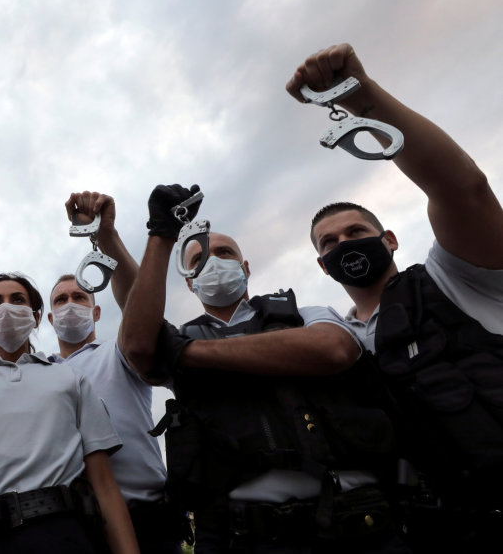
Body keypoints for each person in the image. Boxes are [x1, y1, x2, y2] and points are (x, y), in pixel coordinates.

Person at [293, 43, 503, 551]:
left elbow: (464, 189)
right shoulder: (331, 345)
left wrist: (363, 99)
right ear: (323, 265)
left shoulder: (456, 279)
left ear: (388, 240)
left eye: (357, 231)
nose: (345, 244)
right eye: (331, 243)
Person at [119, 185, 407, 554]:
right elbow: (138, 347)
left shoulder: (303, 314)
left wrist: (189, 353)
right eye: (197, 261)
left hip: (354, 524)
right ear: (189, 282)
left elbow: (334, 348)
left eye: (224, 253)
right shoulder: (176, 337)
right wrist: (162, 235)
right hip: (242, 537)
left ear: (245, 267)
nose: (213, 262)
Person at [0, 168, 139, 554]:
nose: (6, 307)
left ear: (39, 317)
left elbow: (104, 484)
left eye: (18, 300)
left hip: (62, 535)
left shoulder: (70, 379)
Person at [48, 191, 187, 553]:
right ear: (48, 318)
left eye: (80, 297)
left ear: (97, 313)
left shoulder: (120, 350)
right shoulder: (41, 373)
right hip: (70, 527)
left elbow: (142, 308)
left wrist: (105, 235)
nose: (70, 305)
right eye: (60, 300)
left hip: (146, 522)